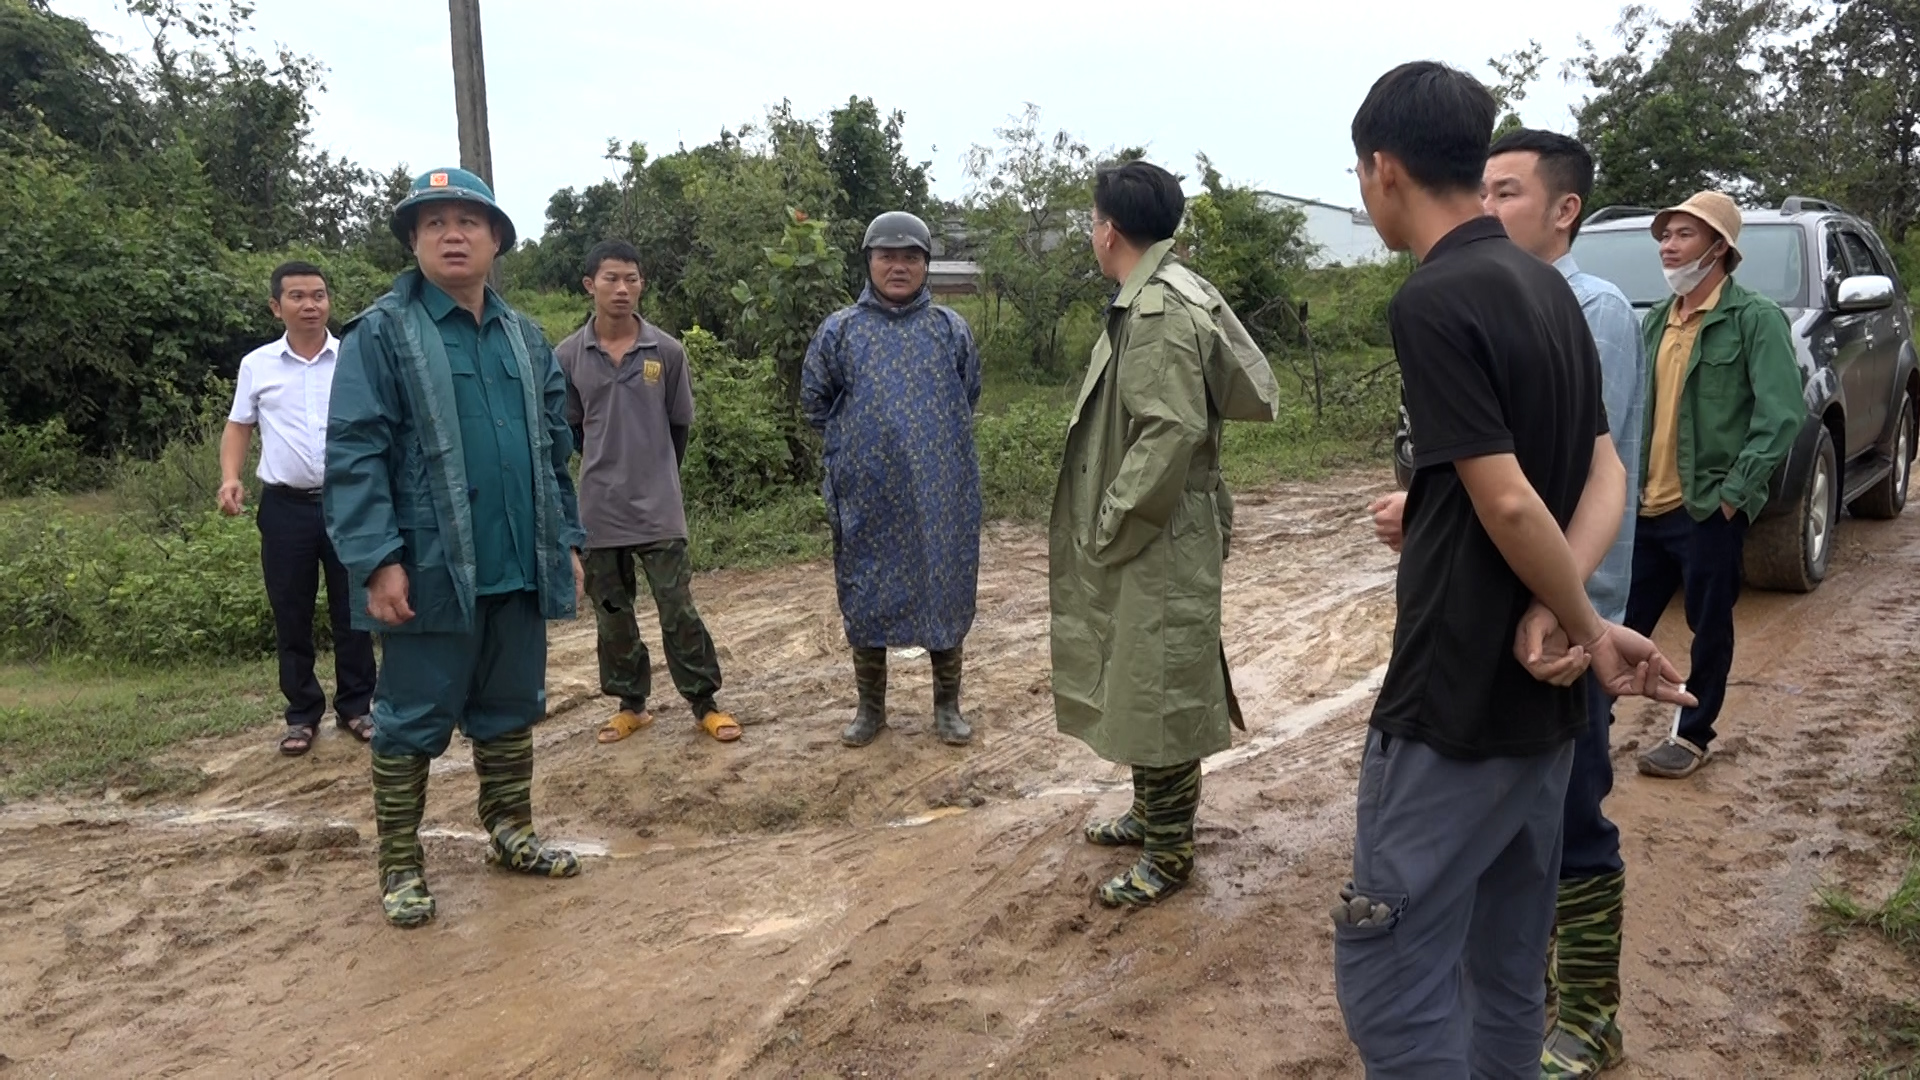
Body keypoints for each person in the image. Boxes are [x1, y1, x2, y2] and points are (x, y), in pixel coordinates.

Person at [1334, 62, 1692, 1077]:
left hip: (1455, 700)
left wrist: (1575, 618)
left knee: (1393, 973)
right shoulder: (1550, 289)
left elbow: (1507, 501)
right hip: (1545, 712)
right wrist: (1573, 611)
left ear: (1384, 168)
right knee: (1503, 967)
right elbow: (1605, 470)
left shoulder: (1436, 297)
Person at [325, 167, 588, 928]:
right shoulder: (383, 333)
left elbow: (554, 452)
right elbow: (355, 452)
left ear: (496, 240)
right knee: (410, 715)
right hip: (429, 567)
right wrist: (377, 560)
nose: (452, 235)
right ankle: (400, 863)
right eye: (433, 223)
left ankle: (510, 832)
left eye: (468, 222)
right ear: (413, 241)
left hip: (516, 559)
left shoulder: (524, 337)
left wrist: (565, 542)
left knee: (509, 704)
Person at [1049, 160, 1278, 908]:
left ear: (1108, 230)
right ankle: (1152, 814)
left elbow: (1169, 430)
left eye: (1092, 221)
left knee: (1164, 683)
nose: (1092, 232)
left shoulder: (1157, 311)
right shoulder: (1165, 290)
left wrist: (1115, 516)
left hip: (1159, 527)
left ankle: (1171, 851)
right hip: (1159, 524)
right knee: (1141, 673)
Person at [1627, 190, 1803, 781]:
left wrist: (1734, 495)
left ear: (1719, 247)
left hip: (1705, 509)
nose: (1668, 246)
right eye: (1665, 236)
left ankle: (1692, 734)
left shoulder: (1754, 319)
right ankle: (1586, 723)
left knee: (1709, 627)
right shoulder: (1656, 320)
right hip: (1645, 507)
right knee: (1617, 620)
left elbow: (1782, 415)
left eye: (1683, 235)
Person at [801, 210, 982, 748]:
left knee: (944, 588)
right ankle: (870, 709)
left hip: (939, 491)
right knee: (866, 592)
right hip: (867, 491)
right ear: (869, 262)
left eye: (910, 257)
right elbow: (814, 402)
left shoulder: (950, 329)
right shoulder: (840, 331)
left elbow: (968, 394)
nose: (898, 267)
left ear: (926, 265)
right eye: (887, 256)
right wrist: (862, 443)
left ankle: (947, 707)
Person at [556, 240, 739, 745]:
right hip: (599, 510)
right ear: (590, 285)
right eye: (611, 278)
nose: (622, 288)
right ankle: (630, 704)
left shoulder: (667, 351)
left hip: (659, 507)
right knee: (613, 615)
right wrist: (608, 465)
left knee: (677, 608)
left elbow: (679, 426)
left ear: (642, 285)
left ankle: (704, 703)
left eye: (631, 279)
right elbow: (572, 429)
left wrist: (656, 473)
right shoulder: (568, 356)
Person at [219, 261, 377, 757]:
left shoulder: (354, 358)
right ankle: (302, 714)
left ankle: (357, 706)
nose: (310, 305)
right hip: (285, 507)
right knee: (291, 612)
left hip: (349, 503)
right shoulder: (257, 365)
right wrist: (230, 477)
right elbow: (239, 425)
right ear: (276, 306)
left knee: (354, 610)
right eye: (297, 297)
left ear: (329, 301)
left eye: (319, 295)